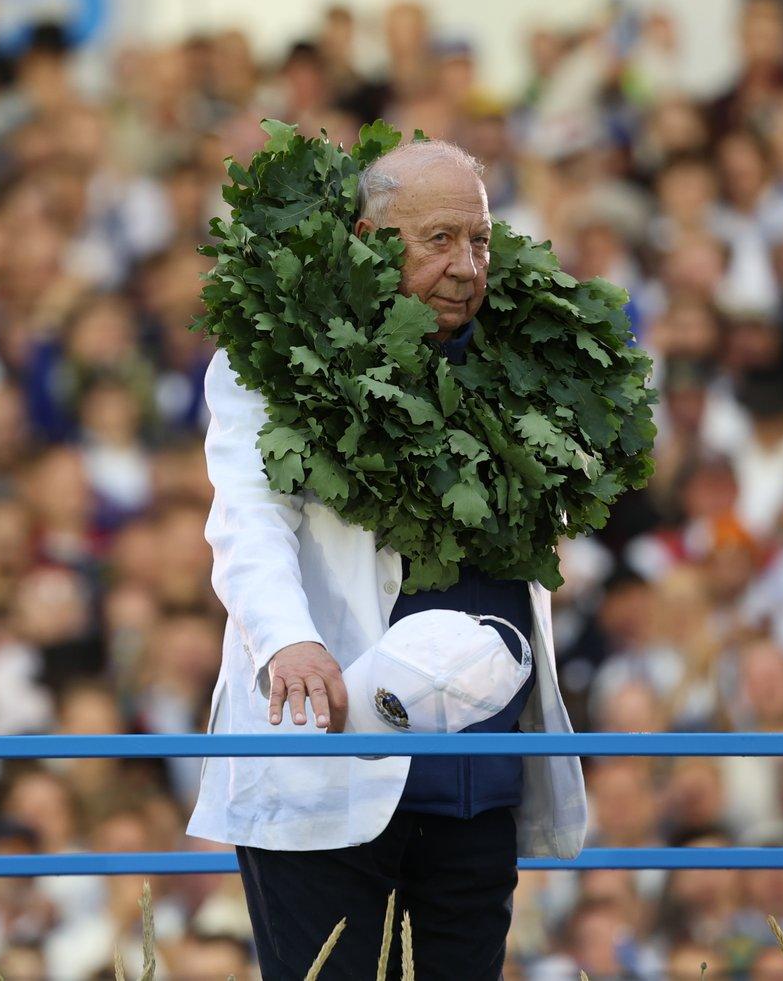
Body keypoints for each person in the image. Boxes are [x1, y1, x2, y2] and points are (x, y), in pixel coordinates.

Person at [188, 138, 586, 978]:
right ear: (369, 237)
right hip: (329, 759)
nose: (466, 265)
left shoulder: (530, 370)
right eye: (437, 239)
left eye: (478, 240)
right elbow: (248, 518)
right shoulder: (267, 366)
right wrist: (288, 641)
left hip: (478, 776)